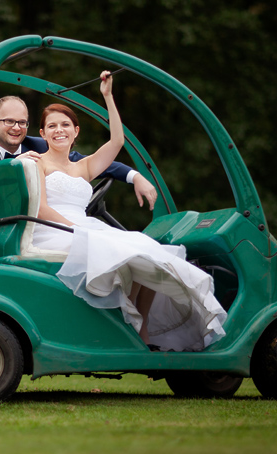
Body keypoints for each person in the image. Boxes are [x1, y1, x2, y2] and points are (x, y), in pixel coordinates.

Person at [31, 72, 227, 352]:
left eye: (65, 124)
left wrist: (108, 97)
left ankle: (140, 327)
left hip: (85, 227)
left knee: (147, 251)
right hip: (55, 229)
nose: (58, 130)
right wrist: (75, 228)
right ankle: (130, 324)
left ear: (76, 131)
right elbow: (40, 208)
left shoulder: (83, 167)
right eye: (51, 126)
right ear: (42, 133)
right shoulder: (37, 162)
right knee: (124, 250)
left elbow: (117, 142)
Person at [0, 96, 158, 211]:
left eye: (21, 122)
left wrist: (134, 176)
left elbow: (81, 162)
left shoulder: (40, 146)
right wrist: (8, 167)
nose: (16, 128)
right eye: (9, 121)